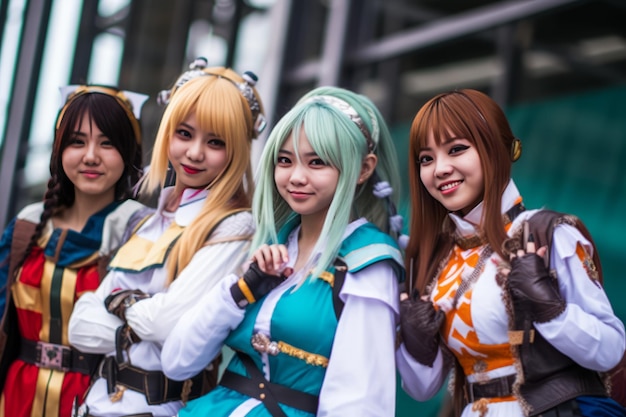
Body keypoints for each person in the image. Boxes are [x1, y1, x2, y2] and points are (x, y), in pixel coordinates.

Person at [161, 86, 406, 416]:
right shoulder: (269, 244)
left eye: (317, 162)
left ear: (363, 169)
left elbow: (360, 403)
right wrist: (239, 291)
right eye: (285, 161)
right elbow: (177, 362)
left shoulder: (369, 261)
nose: (296, 177)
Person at [396, 88, 626, 417]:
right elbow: (423, 390)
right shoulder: (437, 263)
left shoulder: (549, 234)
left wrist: (551, 311)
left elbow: (611, 350)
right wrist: (416, 344)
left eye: (457, 149)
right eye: (426, 159)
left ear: (496, 149)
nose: (440, 169)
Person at [67, 61, 266, 417]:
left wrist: (119, 303)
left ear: (237, 150)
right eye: (185, 134)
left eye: (215, 142)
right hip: (92, 404)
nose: (194, 153)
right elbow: (79, 326)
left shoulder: (234, 226)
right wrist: (141, 316)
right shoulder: (150, 220)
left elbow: (167, 325)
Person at [0, 85, 148, 417]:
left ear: (129, 153)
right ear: (59, 150)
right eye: (77, 142)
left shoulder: (142, 232)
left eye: (107, 143)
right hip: (16, 394)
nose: (91, 156)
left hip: (102, 397)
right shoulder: (27, 226)